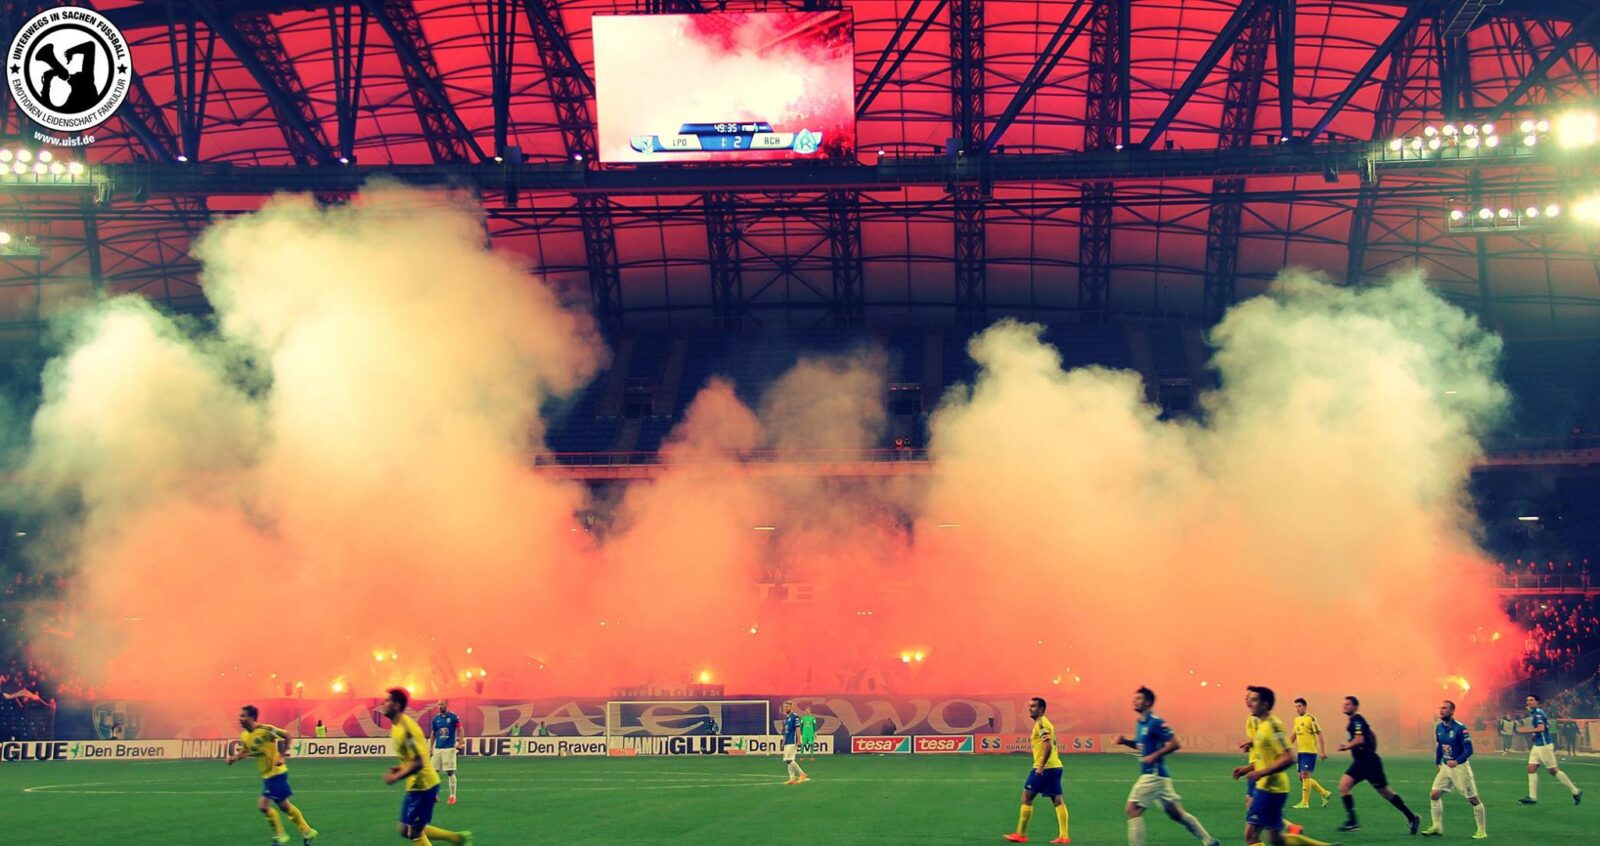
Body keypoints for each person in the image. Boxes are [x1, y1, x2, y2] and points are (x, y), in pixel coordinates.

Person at [1231, 686, 1339, 846]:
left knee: (1251, 835)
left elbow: (1289, 757)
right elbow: (1267, 758)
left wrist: (1262, 773)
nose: (1249, 703)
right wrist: (1247, 769)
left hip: (1270, 788)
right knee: (1276, 839)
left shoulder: (1273, 725)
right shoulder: (1262, 725)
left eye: (1254, 700)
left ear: (1265, 704)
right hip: (1271, 787)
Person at [1114, 686, 1220, 846]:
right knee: (1176, 814)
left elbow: (1176, 743)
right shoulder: (1140, 723)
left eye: (1139, 698)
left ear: (1148, 702)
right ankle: (1209, 840)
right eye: (1134, 698)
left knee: (1132, 809)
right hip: (1160, 777)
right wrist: (1125, 742)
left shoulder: (1156, 722)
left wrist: (1154, 756)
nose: (1134, 701)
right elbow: (1142, 746)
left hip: (1153, 775)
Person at [381, 688, 472, 845]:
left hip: (424, 786)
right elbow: (413, 758)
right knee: (405, 829)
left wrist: (396, 776)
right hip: (415, 786)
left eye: (387, 700)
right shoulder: (396, 725)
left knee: (414, 833)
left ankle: (457, 839)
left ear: (396, 705)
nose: (383, 703)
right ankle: (457, 838)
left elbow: (418, 763)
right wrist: (401, 768)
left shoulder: (407, 729)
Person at [225, 704, 318, 845]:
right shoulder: (244, 735)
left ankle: (280, 836)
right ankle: (307, 831)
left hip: (277, 773)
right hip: (267, 776)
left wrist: (282, 756)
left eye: (243, 716)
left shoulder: (265, 730)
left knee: (263, 805)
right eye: (240, 716)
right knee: (284, 806)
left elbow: (287, 736)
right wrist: (235, 758)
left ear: (251, 717)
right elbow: (247, 750)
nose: (240, 719)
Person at [1336, 695, 1420, 834]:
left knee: (1386, 792)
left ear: (1355, 707)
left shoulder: (1357, 719)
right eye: (1344, 704)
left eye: (1348, 704)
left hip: (1369, 763)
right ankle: (1352, 821)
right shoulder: (1352, 721)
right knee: (1344, 786)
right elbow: (1369, 736)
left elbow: (1359, 739)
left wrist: (1346, 746)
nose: (1345, 706)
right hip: (1360, 763)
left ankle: (1412, 817)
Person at [1003, 696, 1070, 844]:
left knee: (1026, 798)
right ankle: (1064, 836)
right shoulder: (1044, 723)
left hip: (1044, 768)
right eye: (1029, 706)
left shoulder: (1041, 724)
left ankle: (1021, 834)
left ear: (1041, 709)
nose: (1030, 708)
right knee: (1057, 800)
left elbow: (1047, 746)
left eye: (1033, 706)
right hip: (1056, 767)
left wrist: (1040, 766)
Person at [1421, 699, 1486, 839]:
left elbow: (1469, 750)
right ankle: (1437, 827)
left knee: (1473, 799)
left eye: (1444, 708)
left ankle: (1481, 830)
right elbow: (1440, 746)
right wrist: (1437, 762)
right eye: (1440, 708)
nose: (1441, 710)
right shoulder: (1438, 727)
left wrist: (1457, 761)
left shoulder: (1460, 728)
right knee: (1434, 794)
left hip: (1460, 768)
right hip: (1445, 766)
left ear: (1451, 711)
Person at [1516, 693, 1583, 805]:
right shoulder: (1536, 713)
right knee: (1531, 768)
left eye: (1531, 700)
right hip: (1538, 745)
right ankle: (1532, 798)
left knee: (1553, 770)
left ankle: (1575, 791)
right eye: (1528, 700)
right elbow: (1546, 727)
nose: (1529, 702)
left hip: (1544, 746)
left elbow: (1541, 728)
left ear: (1537, 702)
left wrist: (1524, 730)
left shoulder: (1538, 714)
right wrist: (1534, 735)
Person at [1289, 698, 1332, 809]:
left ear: (1304, 706)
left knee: (1305, 775)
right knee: (1302, 778)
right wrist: (1286, 748)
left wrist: (1322, 751)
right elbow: (1293, 736)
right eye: (1296, 706)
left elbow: (1320, 735)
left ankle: (1304, 803)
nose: (1297, 708)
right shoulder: (1297, 720)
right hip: (1301, 753)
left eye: (1299, 706)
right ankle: (1324, 793)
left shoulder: (1311, 719)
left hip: (1310, 752)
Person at [428, 700, 463, 806]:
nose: (440, 706)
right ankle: (435, 795)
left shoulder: (453, 717)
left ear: (447, 705)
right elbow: (433, 733)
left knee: (450, 772)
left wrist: (461, 742)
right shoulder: (436, 718)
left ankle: (452, 796)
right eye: (438, 704)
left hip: (449, 748)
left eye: (442, 704)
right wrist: (431, 747)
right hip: (438, 748)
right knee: (433, 772)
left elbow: (460, 729)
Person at [779, 700, 809, 785]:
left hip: (793, 740)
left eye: (787, 706)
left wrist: (799, 740)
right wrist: (783, 742)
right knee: (789, 760)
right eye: (784, 707)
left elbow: (798, 729)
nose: (786, 708)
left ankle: (802, 774)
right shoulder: (786, 719)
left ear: (791, 707)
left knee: (788, 760)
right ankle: (792, 779)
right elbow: (785, 732)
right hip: (787, 741)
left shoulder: (795, 717)